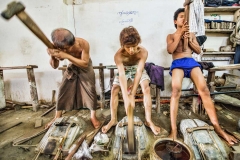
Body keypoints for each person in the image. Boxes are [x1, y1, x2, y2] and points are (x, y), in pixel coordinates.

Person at [166, 8, 238, 144]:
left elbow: (198, 50)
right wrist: (180, 34)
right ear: (175, 21)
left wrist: (189, 39)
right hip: (177, 63)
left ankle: (217, 128)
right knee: (175, 90)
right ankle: (174, 130)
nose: (183, 19)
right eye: (181, 17)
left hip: (191, 61)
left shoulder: (191, 34)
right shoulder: (171, 35)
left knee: (204, 90)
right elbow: (170, 50)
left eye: (185, 17)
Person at [101, 26, 161, 135]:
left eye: (134, 46)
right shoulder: (118, 55)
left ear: (138, 42)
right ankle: (113, 119)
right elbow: (122, 75)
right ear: (122, 45)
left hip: (137, 69)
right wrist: (126, 96)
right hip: (124, 70)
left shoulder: (143, 52)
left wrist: (132, 94)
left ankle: (148, 121)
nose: (131, 50)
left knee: (146, 88)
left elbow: (139, 72)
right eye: (128, 47)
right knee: (114, 89)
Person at [45, 28, 101, 129]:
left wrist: (66, 55)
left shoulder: (83, 43)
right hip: (72, 66)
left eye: (70, 47)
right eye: (66, 49)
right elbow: (54, 66)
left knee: (90, 89)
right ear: (56, 44)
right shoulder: (54, 47)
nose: (69, 50)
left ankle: (93, 116)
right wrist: (52, 56)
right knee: (63, 89)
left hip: (85, 65)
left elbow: (84, 64)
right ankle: (57, 116)